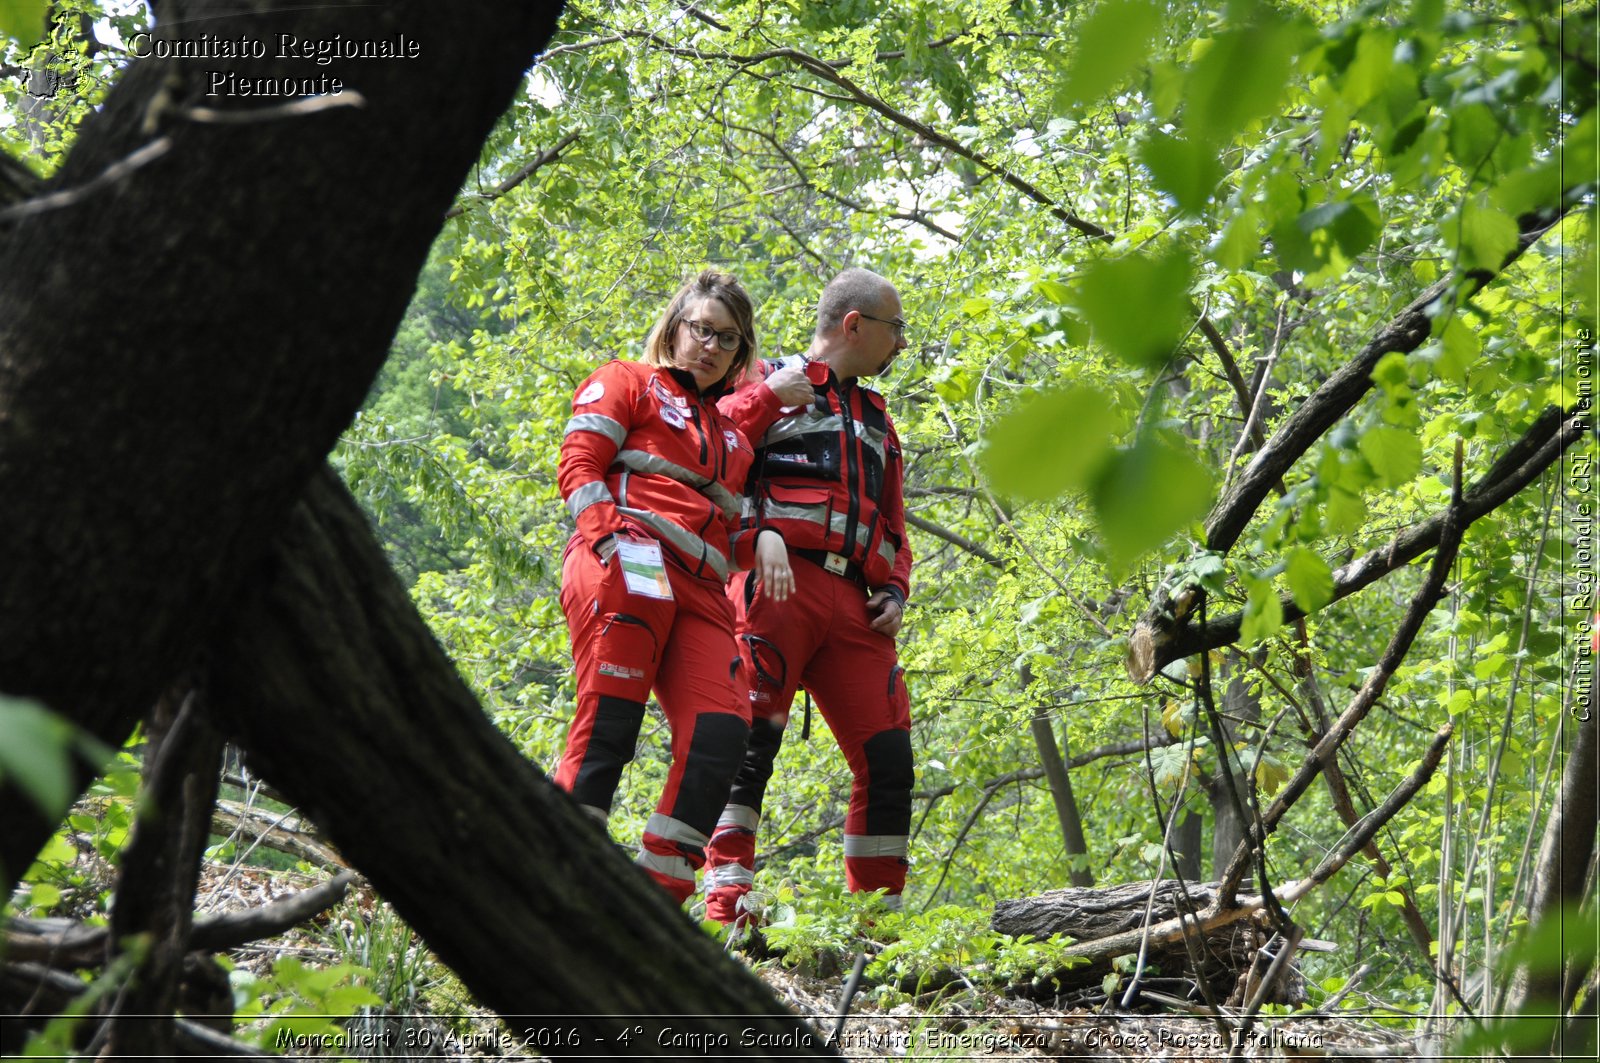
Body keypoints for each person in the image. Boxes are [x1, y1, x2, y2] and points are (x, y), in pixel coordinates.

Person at [553, 269, 811, 904]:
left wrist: (764, 540)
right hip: (624, 560)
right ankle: (556, 879)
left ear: (740, 353)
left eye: (728, 340)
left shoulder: (730, 438)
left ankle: (652, 902)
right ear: (674, 328)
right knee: (610, 723)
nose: (711, 346)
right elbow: (579, 464)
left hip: (700, 595)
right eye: (702, 330)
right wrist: (606, 538)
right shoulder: (625, 381)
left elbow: (721, 536)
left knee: (724, 733)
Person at [704, 267, 915, 924]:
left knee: (889, 760)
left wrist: (898, 591)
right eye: (896, 329)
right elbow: (706, 448)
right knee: (749, 743)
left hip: (856, 608)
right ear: (854, 325)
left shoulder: (879, 420)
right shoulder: (763, 378)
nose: (902, 344)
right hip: (774, 584)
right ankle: (727, 906)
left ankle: (875, 931)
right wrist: (766, 395)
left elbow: (895, 524)